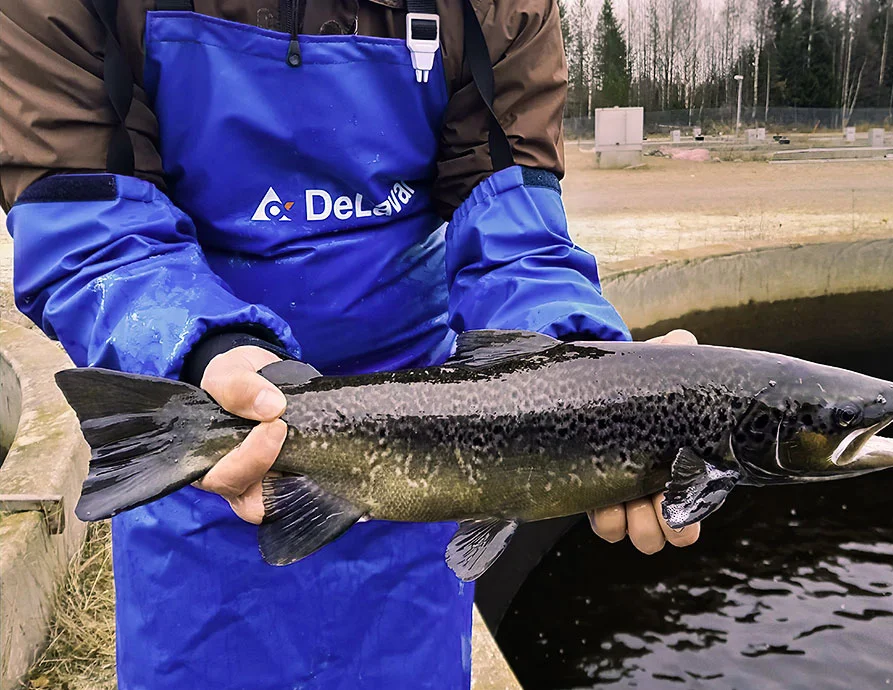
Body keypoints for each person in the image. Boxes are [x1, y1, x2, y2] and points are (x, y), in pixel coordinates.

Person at [1, 0, 701, 686]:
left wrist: (588, 364)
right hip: (205, 444)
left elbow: (513, 228)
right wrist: (204, 348)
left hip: (438, 459)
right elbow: (90, 223)